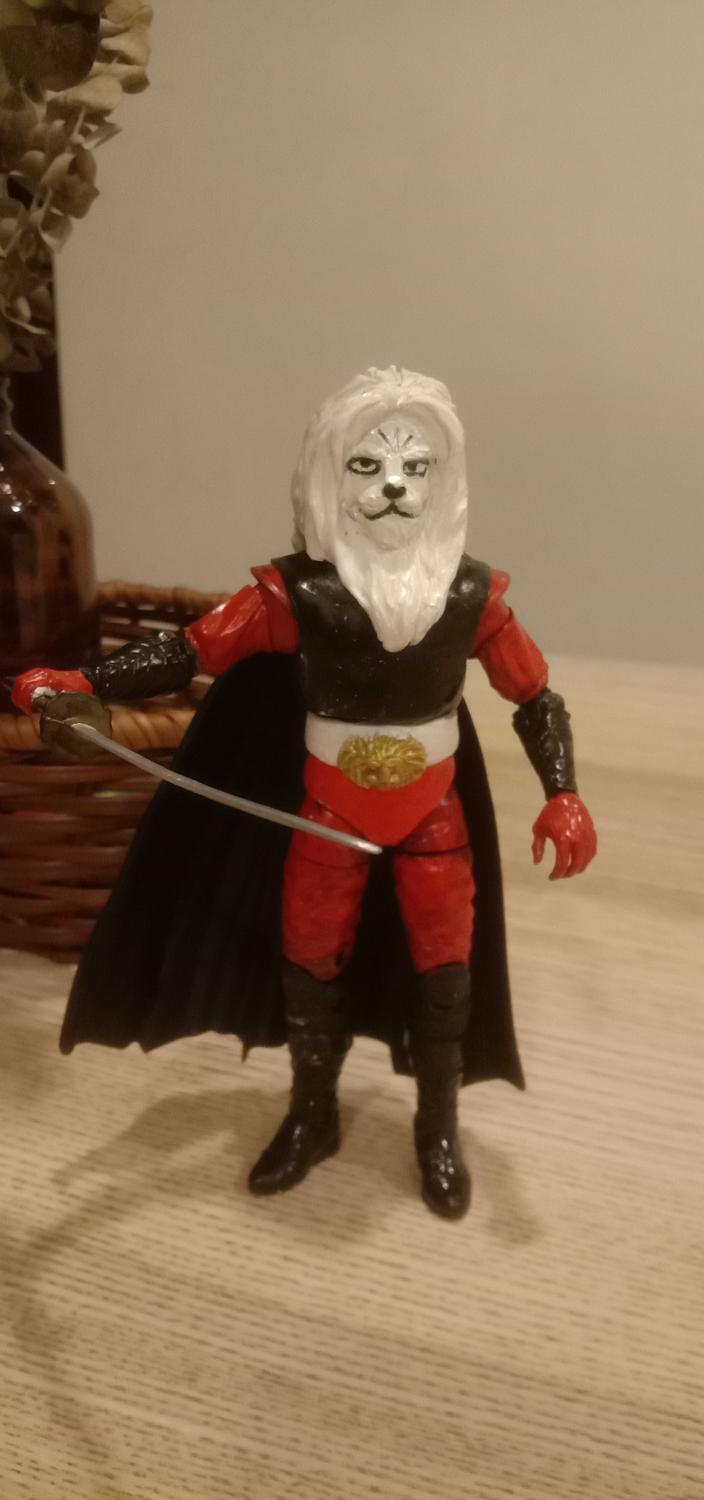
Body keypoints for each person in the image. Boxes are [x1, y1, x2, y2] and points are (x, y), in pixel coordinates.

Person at [13, 367, 596, 1220]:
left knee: (446, 973)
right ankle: (313, 1113)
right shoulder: (296, 597)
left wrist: (564, 791)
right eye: (367, 464)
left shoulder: (472, 598)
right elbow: (190, 651)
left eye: (416, 466)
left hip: (433, 815)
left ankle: (437, 1129)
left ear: (443, 480)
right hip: (325, 812)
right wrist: (85, 682)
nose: (393, 485)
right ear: (329, 474)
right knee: (308, 960)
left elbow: (534, 695)